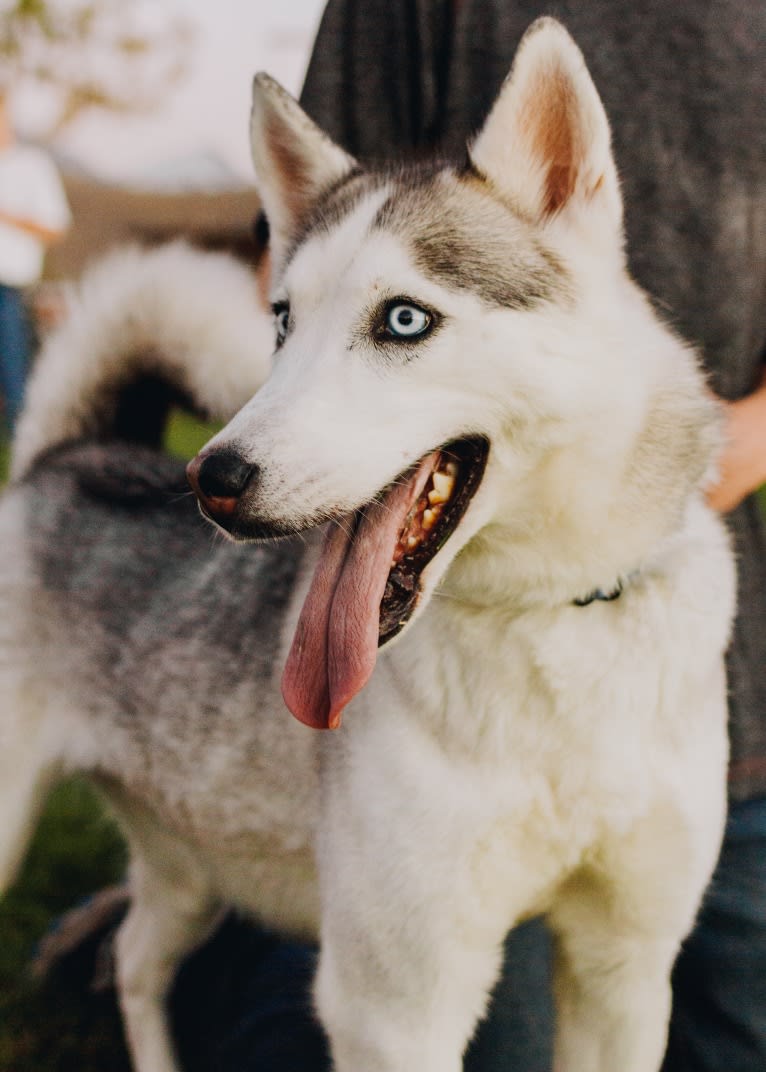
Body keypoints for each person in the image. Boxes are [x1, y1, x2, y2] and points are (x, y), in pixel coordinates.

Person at [39, 3, 766, 1069]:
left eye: (405, 320)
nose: (236, 450)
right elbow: (319, 259)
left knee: (685, 1013)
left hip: (678, 617)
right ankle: (203, 954)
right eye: (292, 324)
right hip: (449, 666)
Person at [0, 90, 71, 433]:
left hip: (10, 289)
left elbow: (55, 226)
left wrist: (6, 215)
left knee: (16, 380)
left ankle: (24, 455)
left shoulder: (32, 164)